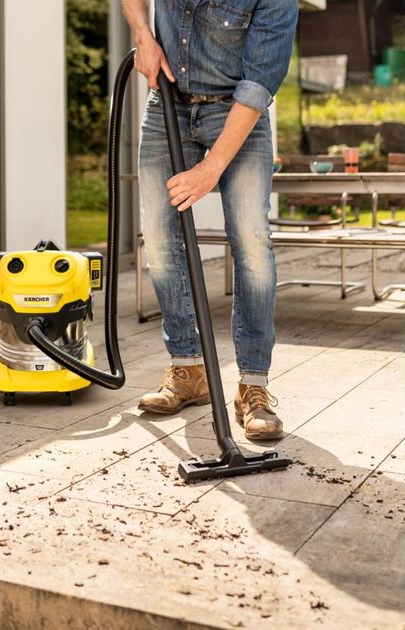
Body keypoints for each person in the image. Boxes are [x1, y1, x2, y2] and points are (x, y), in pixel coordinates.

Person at [121, 0, 297, 440]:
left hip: (237, 114)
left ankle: (253, 385)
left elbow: (259, 84)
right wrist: (142, 34)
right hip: (168, 106)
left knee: (252, 243)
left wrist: (211, 168)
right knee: (159, 239)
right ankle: (188, 370)